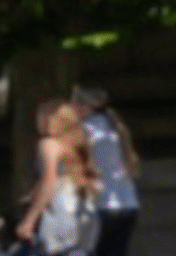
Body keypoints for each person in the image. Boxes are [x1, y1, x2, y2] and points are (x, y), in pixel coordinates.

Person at [15, 100, 102, 256]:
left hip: (59, 212)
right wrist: (33, 193)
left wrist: (29, 220)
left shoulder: (48, 144)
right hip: (83, 210)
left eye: (39, 116)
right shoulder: (78, 143)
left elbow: (49, 181)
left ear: (49, 119)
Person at [69, 87, 142, 256]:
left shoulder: (84, 131)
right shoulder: (115, 128)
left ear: (84, 106)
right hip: (128, 204)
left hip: (100, 207)